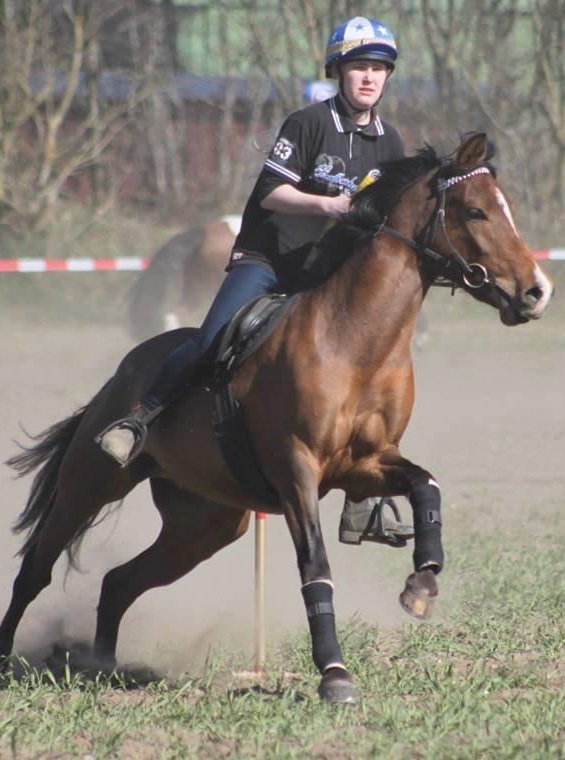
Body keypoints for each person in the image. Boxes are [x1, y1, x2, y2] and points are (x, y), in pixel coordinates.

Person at [97, 17, 413, 546]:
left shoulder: (391, 141)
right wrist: (326, 203)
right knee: (211, 339)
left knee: (372, 374)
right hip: (268, 260)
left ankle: (366, 505)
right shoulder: (309, 122)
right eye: (360, 67)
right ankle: (138, 422)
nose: (369, 78)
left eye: (379, 69)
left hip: (324, 275)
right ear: (338, 71)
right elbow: (270, 192)